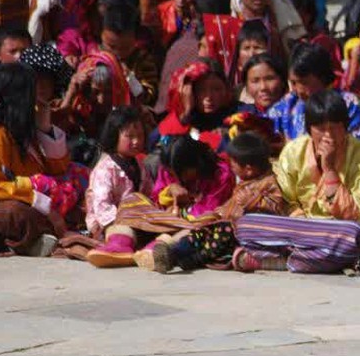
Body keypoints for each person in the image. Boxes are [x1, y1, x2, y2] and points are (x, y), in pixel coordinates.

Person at [232, 89, 360, 273]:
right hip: (300, 228)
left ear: (345, 126)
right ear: (309, 129)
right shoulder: (293, 152)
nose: (328, 136)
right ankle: (305, 259)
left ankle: (278, 260)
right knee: (246, 224)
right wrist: (302, 226)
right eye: (321, 129)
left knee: (353, 235)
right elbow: (285, 202)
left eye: (334, 127)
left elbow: (358, 215)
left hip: (338, 231)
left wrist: (330, 170)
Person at [148, 131, 288, 273]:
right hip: (221, 221)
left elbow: (276, 206)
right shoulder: (246, 182)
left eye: (233, 164)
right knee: (200, 233)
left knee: (221, 233)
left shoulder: (269, 183)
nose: (231, 166)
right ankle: (174, 252)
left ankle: (183, 258)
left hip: (244, 230)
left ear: (248, 169)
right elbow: (229, 205)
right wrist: (217, 214)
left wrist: (251, 202)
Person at [87, 135, 234, 267]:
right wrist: (169, 191)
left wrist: (182, 208)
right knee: (132, 200)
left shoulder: (221, 173)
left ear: (196, 164)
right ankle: (120, 245)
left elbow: (207, 209)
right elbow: (156, 197)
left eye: (181, 173)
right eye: (172, 173)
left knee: (206, 223)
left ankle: (157, 250)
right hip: (163, 220)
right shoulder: (166, 167)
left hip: (190, 224)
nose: (177, 177)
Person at [0, 63, 72, 257]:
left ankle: (40, 238)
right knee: (10, 213)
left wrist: (45, 127)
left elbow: (59, 169)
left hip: (40, 205)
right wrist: (35, 195)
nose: (37, 100)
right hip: (5, 206)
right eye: (32, 93)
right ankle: (32, 241)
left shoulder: (25, 134)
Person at [265, 40, 360, 142]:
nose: (298, 89)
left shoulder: (348, 105)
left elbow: (357, 148)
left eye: (304, 82)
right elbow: (264, 127)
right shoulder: (288, 104)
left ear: (322, 78)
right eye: (293, 83)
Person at [84, 106, 152, 239]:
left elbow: (148, 194)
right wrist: (124, 221)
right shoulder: (105, 169)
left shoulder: (140, 165)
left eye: (140, 136)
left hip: (137, 221)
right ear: (114, 136)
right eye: (130, 136)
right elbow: (102, 205)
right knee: (124, 236)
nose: (136, 141)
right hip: (108, 224)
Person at [158, 60, 235, 153]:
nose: (209, 97)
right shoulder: (180, 120)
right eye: (201, 90)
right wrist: (186, 113)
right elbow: (160, 143)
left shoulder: (240, 117)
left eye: (216, 89)